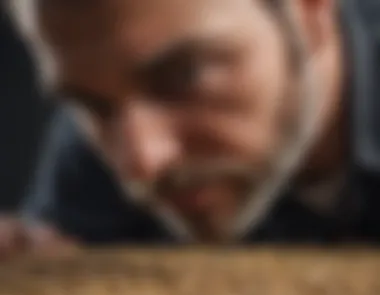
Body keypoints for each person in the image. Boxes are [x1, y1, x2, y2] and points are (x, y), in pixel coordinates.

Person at [1, 0, 380, 254]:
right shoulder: (99, 140)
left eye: (185, 77)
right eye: (91, 104)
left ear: (308, 12)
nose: (142, 162)